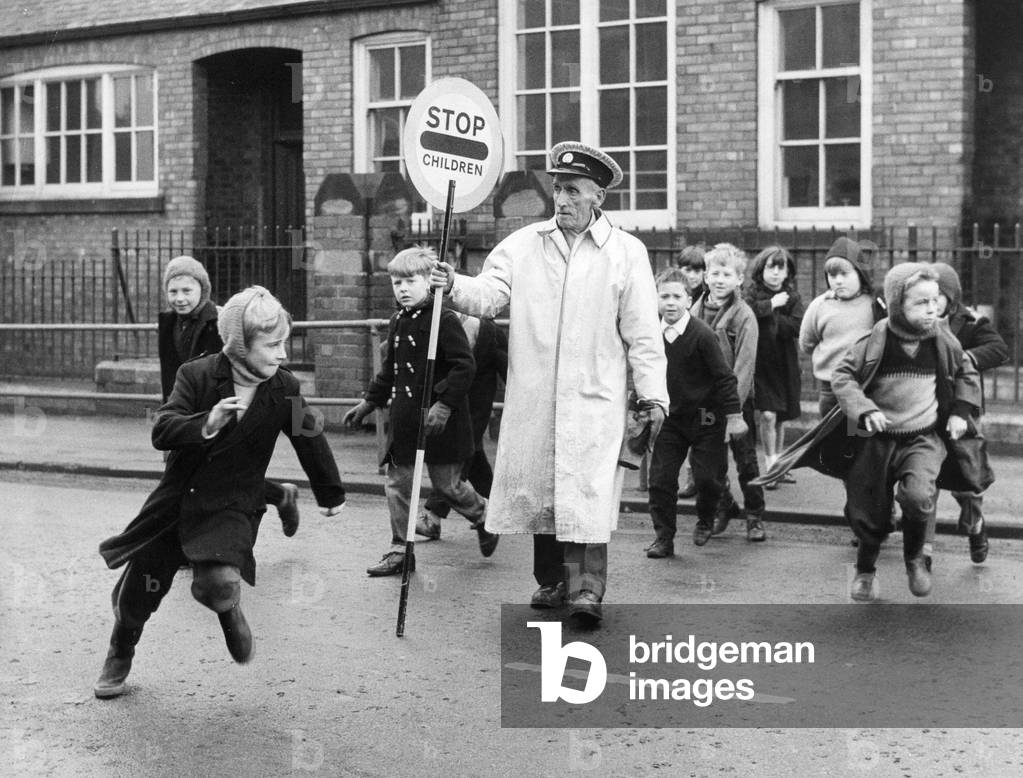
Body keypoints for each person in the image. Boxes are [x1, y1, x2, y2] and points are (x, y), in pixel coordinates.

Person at [430, 141, 668, 626]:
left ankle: (587, 590)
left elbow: (643, 332)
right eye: (558, 189)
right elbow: (489, 294)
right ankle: (553, 581)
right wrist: (451, 284)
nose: (562, 200)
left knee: (587, 493)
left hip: (595, 398)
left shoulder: (626, 253)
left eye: (574, 191)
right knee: (545, 491)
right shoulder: (524, 245)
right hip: (537, 396)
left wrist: (652, 394)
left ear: (598, 196)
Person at [94, 286, 346, 698]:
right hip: (177, 500)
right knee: (139, 590)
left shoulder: (284, 387)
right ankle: (120, 651)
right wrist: (205, 423)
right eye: (272, 345)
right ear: (239, 345)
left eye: (285, 342)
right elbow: (163, 429)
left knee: (218, 580)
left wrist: (330, 492)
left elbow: (309, 437)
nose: (282, 353)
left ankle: (228, 608)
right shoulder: (197, 375)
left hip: (234, 503)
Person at [344, 246, 496, 577]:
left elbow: (463, 367)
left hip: (441, 422)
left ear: (429, 281)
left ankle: (483, 515)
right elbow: (389, 370)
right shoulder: (398, 320)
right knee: (398, 485)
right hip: (406, 419)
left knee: (448, 487)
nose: (402, 289)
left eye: (410, 281)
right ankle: (400, 550)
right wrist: (369, 402)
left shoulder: (445, 318)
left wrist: (444, 404)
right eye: (396, 282)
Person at [831, 263, 980, 600]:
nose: (931, 310)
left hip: (923, 438)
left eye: (935, 301)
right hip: (877, 440)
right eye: (920, 303)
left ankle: (915, 559)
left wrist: (960, 412)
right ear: (898, 305)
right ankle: (865, 570)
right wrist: (864, 408)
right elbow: (843, 376)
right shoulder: (876, 341)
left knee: (918, 497)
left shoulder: (942, 339)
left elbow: (967, 370)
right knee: (870, 511)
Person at [157, 255, 302, 537]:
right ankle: (280, 495)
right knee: (189, 477)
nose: (180, 298)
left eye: (187, 290)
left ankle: (279, 497)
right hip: (190, 415)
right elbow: (172, 373)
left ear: (203, 290)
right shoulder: (168, 323)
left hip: (226, 412)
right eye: (173, 291)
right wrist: (172, 412)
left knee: (223, 478)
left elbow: (247, 362)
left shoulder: (222, 322)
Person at [646, 268, 747, 558]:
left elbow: (725, 377)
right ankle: (664, 538)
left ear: (689, 300)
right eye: (664, 296)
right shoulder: (651, 335)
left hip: (706, 418)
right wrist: (637, 407)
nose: (671, 302)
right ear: (655, 300)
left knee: (706, 479)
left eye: (677, 296)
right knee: (661, 480)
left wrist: (734, 416)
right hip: (671, 419)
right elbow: (641, 372)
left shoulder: (703, 335)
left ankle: (706, 518)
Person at [926, 262, 1007, 564]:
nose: (930, 304)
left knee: (966, 484)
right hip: (929, 413)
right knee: (927, 479)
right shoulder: (919, 320)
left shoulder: (971, 322)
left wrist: (963, 358)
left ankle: (976, 525)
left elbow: (998, 349)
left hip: (965, 413)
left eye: (937, 298)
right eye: (926, 297)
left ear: (951, 297)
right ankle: (924, 552)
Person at [689, 243, 765, 541]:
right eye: (715, 273)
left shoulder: (744, 316)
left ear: (739, 280)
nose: (720, 279)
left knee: (746, 461)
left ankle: (755, 515)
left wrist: (733, 407)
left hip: (737, 403)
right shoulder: (692, 312)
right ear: (706, 277)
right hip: (704, 405)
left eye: (727, 274)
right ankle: (725, 505)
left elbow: (745, 366)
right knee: (709, 463)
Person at [415, 313, 508, 540]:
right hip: (451, 400)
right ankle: (498, 510)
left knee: (458, 458)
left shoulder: (490, 333)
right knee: (473, 455)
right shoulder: (440, 321)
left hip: (475, 404)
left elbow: (510, 371)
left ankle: (433, 517)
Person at [799, 237, 886, 417]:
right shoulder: (820, 305)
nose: (838, 281)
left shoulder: (874, 304)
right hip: (830, 389)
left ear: (860, 273)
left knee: (863, 440)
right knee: (832, 442)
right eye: (832, 275)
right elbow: (806, 343)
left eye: (845, 274)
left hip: (865, 387)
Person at [745, 246, 804, 489]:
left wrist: (772, 316)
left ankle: (778, 466)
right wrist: (771, 305)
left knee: (779, 418)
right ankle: (770, 469)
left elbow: (796, 326)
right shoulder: (752, 293)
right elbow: (747, 314)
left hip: (784, 363)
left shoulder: (793, 297)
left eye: (782, 268)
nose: (776, 273)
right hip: (760, 363)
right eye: (771, 267)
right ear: (762, 269)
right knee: (767, 415)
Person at [674, 244, 708, 500]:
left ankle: (698, 478)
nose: (693, 275)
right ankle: (690, 478)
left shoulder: (707, 298)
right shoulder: (675, 294)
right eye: (688, 269)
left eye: (698, 270)